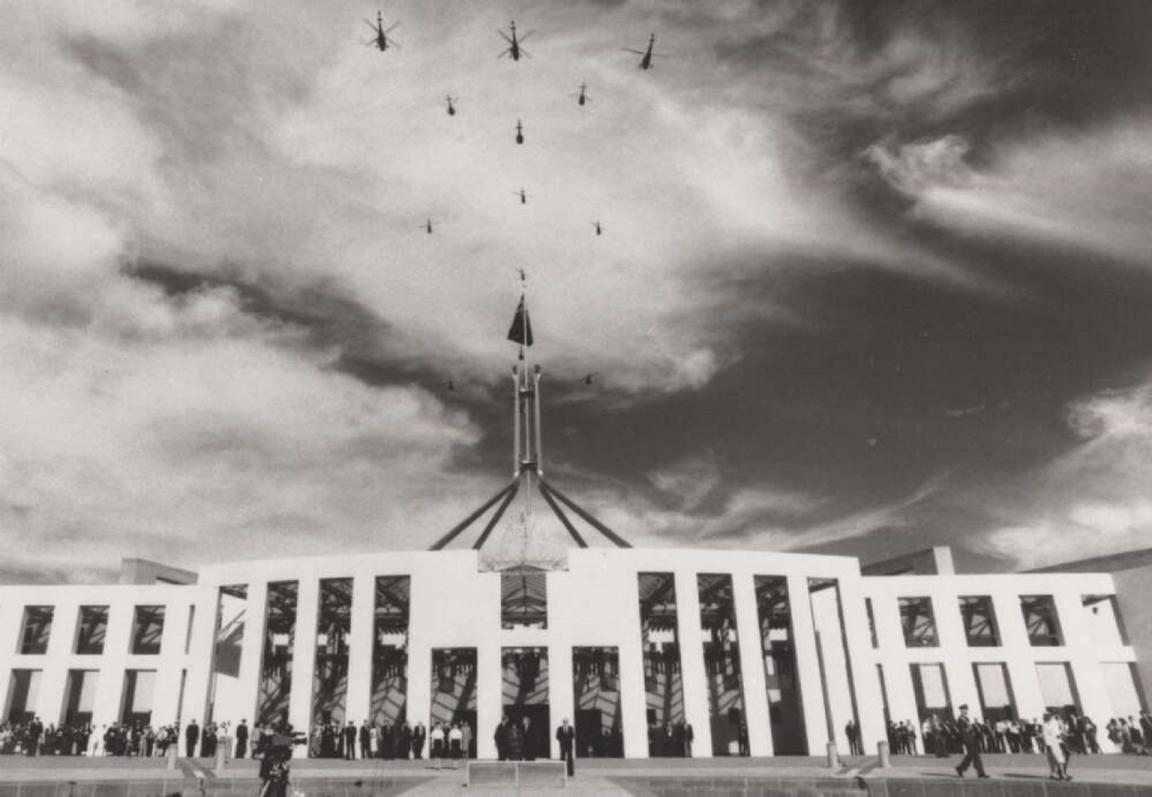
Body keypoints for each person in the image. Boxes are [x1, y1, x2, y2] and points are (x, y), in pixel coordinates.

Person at [955, 706, 989, 779]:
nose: (965, 712)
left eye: (966, 710)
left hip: (971, 738)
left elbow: (969, 729)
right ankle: (981, 773)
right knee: (976, 755)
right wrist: (968, 729)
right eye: (964, 710)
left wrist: (972, 732)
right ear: (961, 711)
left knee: (971, 755)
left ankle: (961, 768)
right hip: (966, 739)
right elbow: (961, 731)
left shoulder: (967, 719)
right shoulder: (959, 720)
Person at [1043, 711, 1070, 780]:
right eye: (1047, 716)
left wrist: (1060, 741)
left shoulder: (1054, 722)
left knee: (1059, 758)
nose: (1049, 717)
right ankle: (1061, 774)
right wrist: (1048, 745)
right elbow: (1046, 736)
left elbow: (1058, 732)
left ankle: (1059, 773)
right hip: (1052, 744)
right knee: (1057, 759)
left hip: (1056, 742)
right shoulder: (1046, 725)